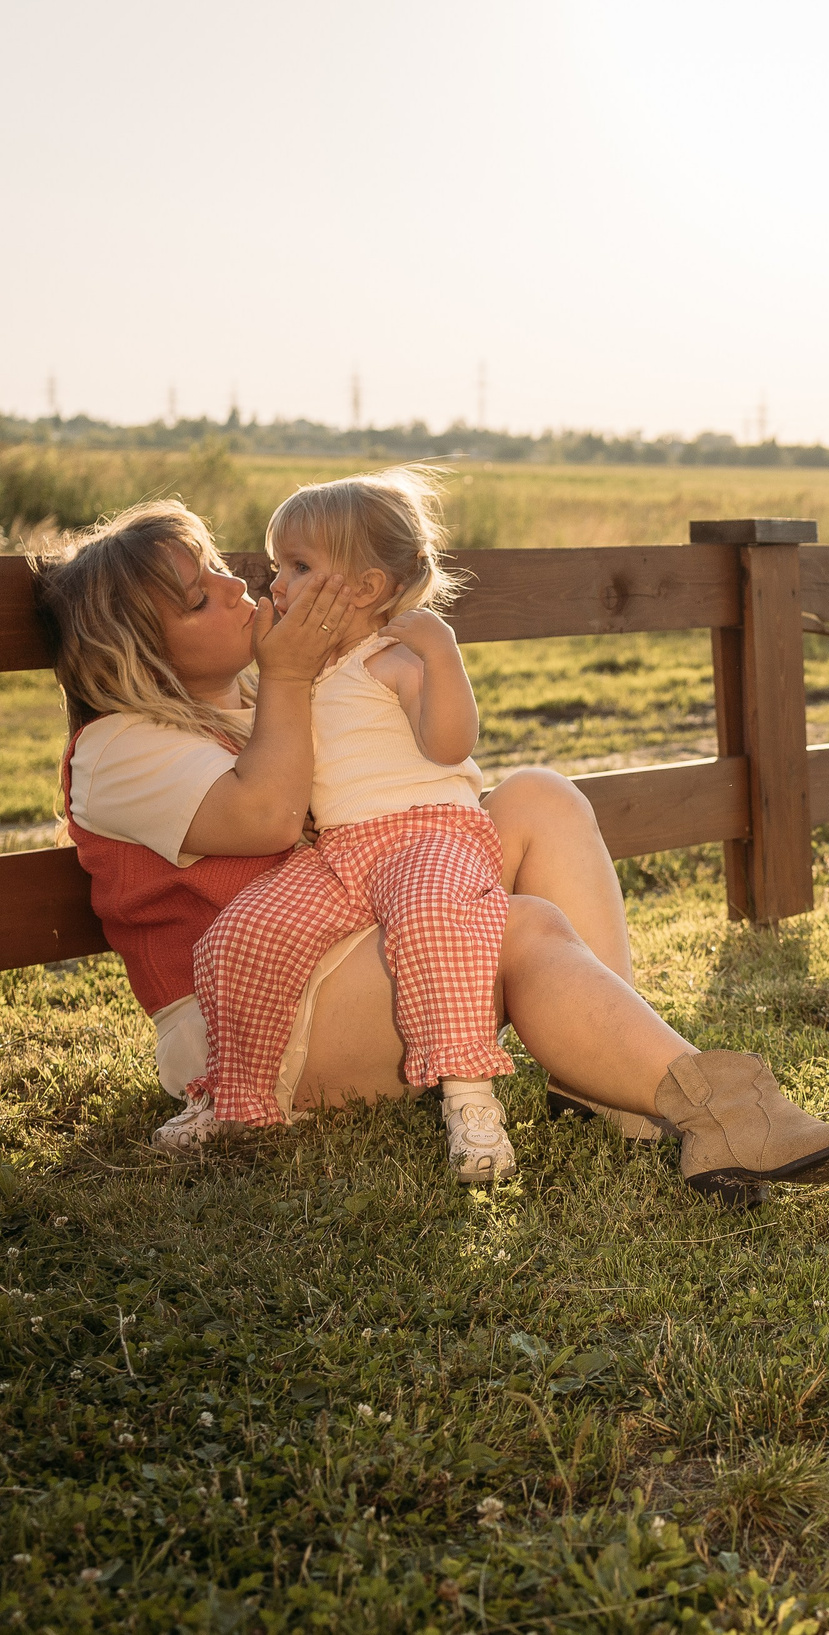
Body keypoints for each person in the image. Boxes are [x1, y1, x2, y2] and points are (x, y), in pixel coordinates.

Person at [29, 492, 829, 1199]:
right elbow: (262, 818)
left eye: (223, 567)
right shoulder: (122, 748)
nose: (240, 587)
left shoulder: (261, 698)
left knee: (537, 798)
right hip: (251, 1027)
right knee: (515, 928)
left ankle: (609, 1088)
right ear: (139, 654)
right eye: (200, 596)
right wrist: (291, 675)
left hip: (349, 955)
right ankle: (722, 1114)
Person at [180, 469, 518, 1175]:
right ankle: (235, 1099)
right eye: (277, 567)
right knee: (238, 935)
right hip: (339, 852)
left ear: (363, 589)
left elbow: (451, 745)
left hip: (430, 834)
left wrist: (441, 650)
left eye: (297, 567)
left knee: (434, 921)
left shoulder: (390, 659)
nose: (276, 583)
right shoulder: (299, 672)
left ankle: (469, 1097)